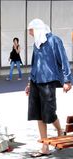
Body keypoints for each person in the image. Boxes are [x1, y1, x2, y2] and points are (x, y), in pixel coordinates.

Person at [25, 19, 72, 157]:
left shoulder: (54, 41)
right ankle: (45, 147)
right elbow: (34, 64)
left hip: (48, 82)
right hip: (36, 82)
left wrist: (68, 80)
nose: (30, 33)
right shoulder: (36, 44)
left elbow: (63, 59)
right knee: (38, 115)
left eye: (31, 30)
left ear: (38, 28)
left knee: (49, 115)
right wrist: (29, 83)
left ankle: (60, 130)